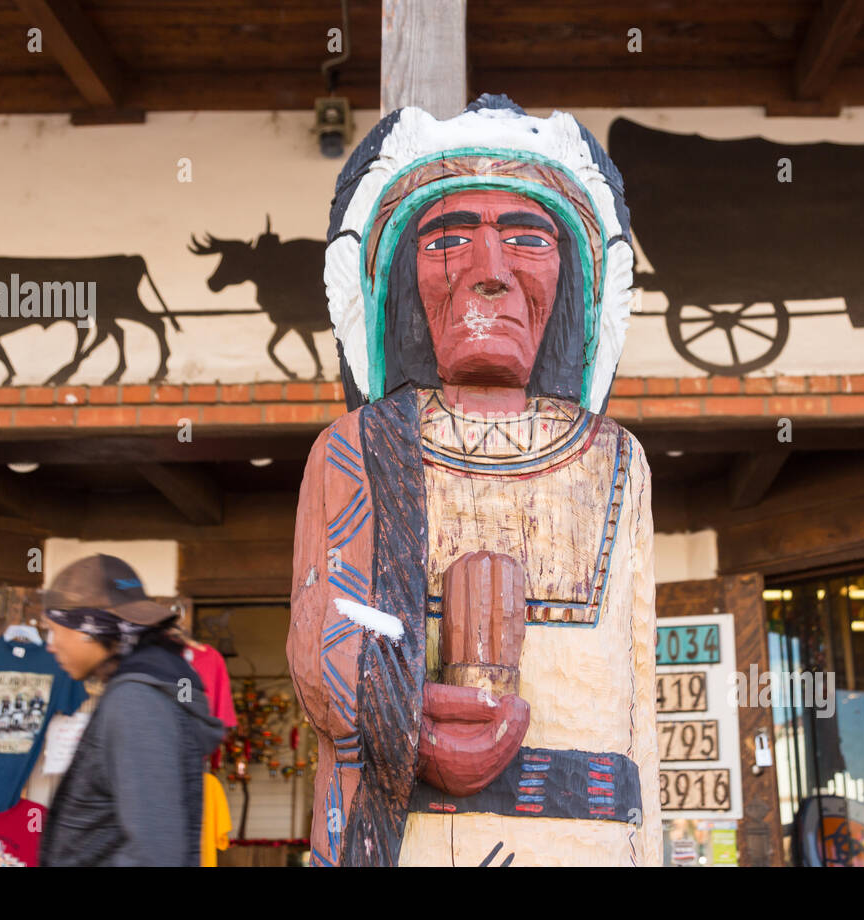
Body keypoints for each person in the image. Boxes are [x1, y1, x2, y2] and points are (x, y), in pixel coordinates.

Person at [289, 94, 662, 866]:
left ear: (576, 277)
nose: (488, 273)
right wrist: (404, 715)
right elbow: (323, 633)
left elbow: (638, 701)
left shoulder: (616, 459)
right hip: (414, 833)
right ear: (396, 280)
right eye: (447, 239)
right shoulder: (358, 446)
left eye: (527, 238)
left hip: (584, 834)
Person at [39, 554, 225, 866]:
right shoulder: (141, 689)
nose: (51, 644)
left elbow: (155, 855)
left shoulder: (138, 702)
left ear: (89, 629)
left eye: (55, 630)